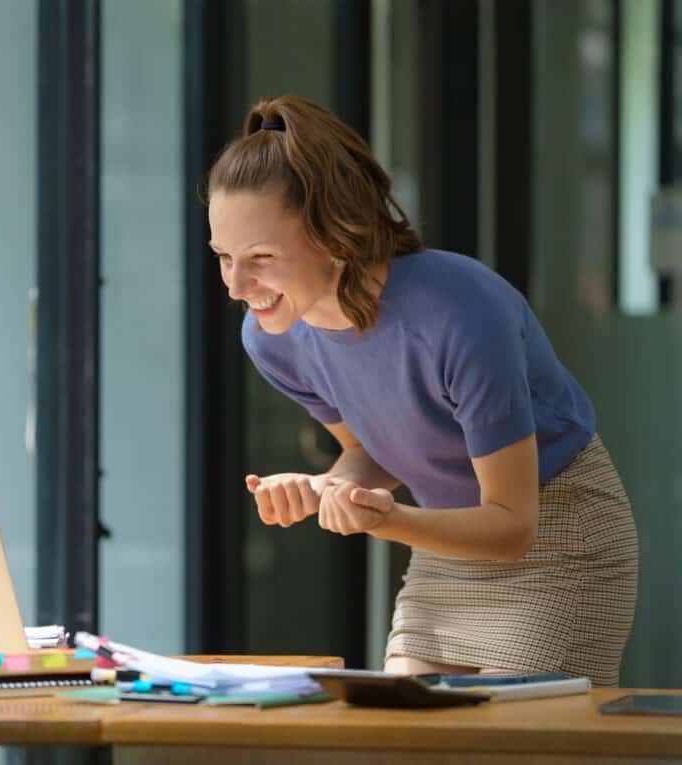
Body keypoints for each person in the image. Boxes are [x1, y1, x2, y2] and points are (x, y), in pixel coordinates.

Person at [206, 95, 638, 687]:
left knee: (515, 747)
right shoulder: (272, 338)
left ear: (333, 233)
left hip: (558, 535)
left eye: (260, 258)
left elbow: (512, 525)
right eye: (224, 257)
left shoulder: (459, 313)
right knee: (409, 733)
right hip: (447, 541)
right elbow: (373, 453)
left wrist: (384, 520)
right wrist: (328, 488)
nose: (236, 285)